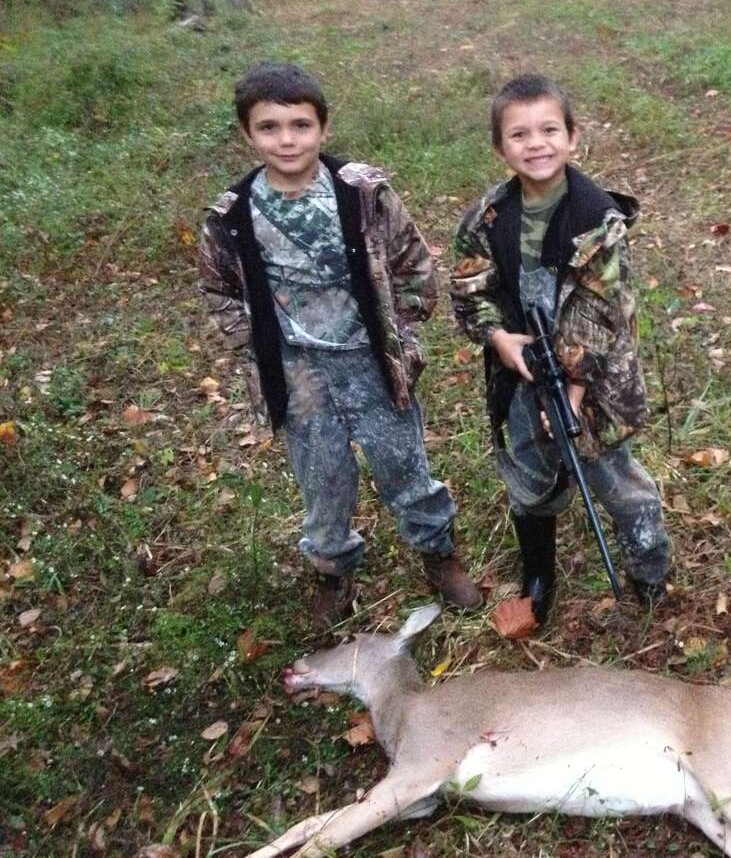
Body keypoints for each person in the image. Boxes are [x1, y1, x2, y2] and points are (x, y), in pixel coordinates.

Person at [198, 62, 481, 626]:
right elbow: (219, 290)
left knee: (403, 465)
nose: (286, 139)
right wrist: (255, 349)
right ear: (246, 135)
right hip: (298, 371)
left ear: (323, 129)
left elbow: (413, 264)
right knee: (322, 475)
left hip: (369, 360)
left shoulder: (362, 195)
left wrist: (401, 333)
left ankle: (437, 553)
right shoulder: (231, 217)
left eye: (300, 125)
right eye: (269, 127)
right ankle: (332, 570)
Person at [449, 73, 670, 625]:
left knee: (616, 481)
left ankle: (649, 576)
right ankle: (539, 574)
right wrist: (500, 340)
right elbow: (469, 291)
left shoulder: (600, 221)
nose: (536, 143)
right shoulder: (485, 220)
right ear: (500, 148)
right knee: (529, 476)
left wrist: (570, 392)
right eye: (519, 135)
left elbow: (606, 314)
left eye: (549, 130)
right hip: (521, 376)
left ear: (573, 138)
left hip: (594, 386)